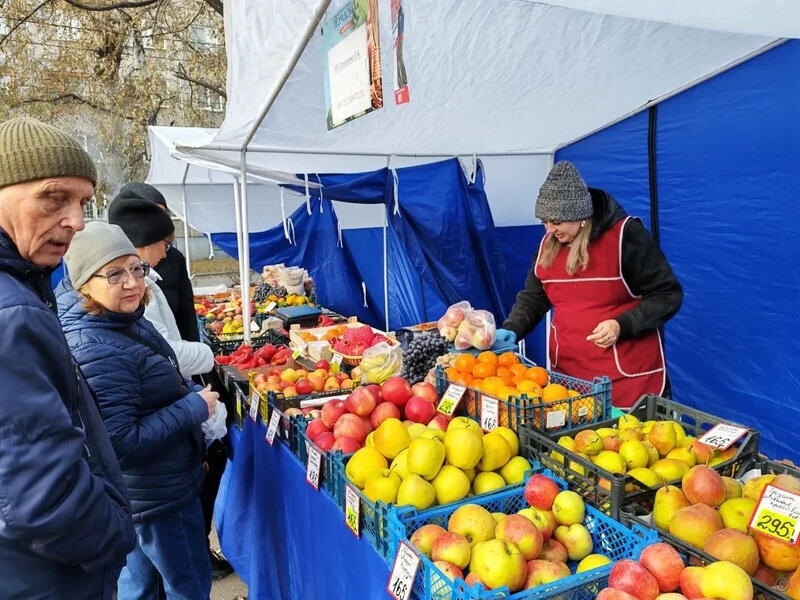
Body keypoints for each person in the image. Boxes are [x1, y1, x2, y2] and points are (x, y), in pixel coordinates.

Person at [0, 116, 135, 599]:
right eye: (53, 197)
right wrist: (119, 534)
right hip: (47, 577)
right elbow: (42, 498)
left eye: (83, 202)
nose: (77, 222)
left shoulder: (25, 291)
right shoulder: (13, 313)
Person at [57, 221, 217, 599]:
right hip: (158, 495)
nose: (131, 282)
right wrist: (193, 407)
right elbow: (121, 442)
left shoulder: (115, 320)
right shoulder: (98, 346)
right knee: (187, 587)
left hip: (142, 497)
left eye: (135, 269)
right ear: (84, 283)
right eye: (114, 273)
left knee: (140, 586)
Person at [108, 192, 232, 579]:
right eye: (165, 242)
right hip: (155, 484)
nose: (169, 250)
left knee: (144, 574)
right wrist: (198, 395)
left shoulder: (147, 285)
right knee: (181, 577)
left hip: (148, 486)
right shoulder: (133, 302)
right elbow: (166, 354)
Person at [497, 161, 683, 408]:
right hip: (569, 381)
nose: (549, 230)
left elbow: (668, 294)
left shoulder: (625, 236)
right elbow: (534, 296)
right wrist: (513, 328)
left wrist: (622, 325)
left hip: (626, 383)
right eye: (545, 221)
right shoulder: (547, 245)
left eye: (557, 222)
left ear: (580, 217)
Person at [108, 194, 214, 377]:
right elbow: (164, 350)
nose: (165, 254)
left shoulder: (143, 283)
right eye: (164, 245)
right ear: (146, 243)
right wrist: (209, 354)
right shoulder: (136, 290)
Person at [114, 182, 200, 342]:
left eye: (163, 214)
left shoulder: (174, 258)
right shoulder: (116, 268)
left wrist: (194, 349)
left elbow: (187, 311)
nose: (157, 223)